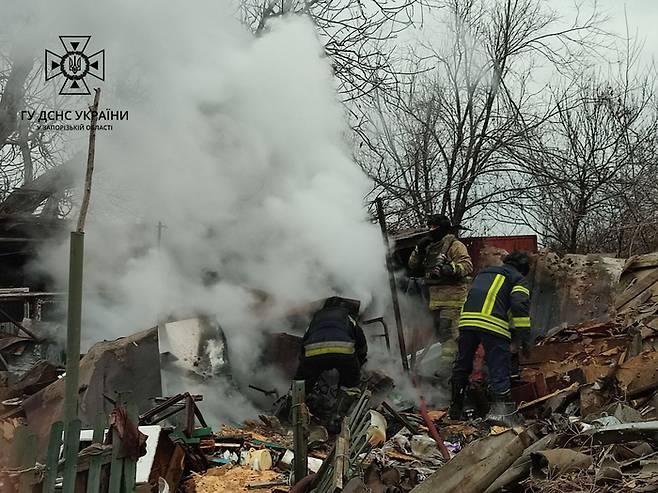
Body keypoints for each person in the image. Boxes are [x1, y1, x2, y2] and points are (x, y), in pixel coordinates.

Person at [449, 251, 532, 425]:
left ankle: (456, 407)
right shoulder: (518, 279)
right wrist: (523, 337)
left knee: (462, 366)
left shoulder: (484, 273)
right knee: (498, 367)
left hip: (466, 322)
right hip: (492, 324)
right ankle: (501, 414)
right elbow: (519, 305)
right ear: (523, 269)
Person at [408, 214, 473, 369]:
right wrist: (419, 249)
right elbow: (412, 265)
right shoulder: (429, 247)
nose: (431, 230)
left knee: (450, 333)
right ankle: (449, 365)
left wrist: (450, 268)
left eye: (434, 227)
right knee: (442, 335)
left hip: (452, 298)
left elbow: (468, 266)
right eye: (429, 226)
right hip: (434, 300)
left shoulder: (454, 245)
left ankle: (449, 368)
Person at [294, 296, 367, 420]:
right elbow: (361, 343)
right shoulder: (348, 318)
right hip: (344, 353)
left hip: (313, 353)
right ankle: (337, 417)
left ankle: (293, 413)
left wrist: (304, 367)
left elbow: (304, 342)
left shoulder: (316, 318)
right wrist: (358, 365)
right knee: (350, 385)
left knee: (302, 383)